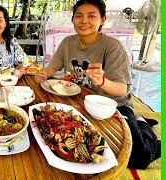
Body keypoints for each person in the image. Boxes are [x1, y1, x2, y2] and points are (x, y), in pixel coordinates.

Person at [35, 0, 160, 169]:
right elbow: (52, 68)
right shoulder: (67, 43)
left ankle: (142, 124)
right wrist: (44, 74)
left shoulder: (112, 47)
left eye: (91, 16)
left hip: (114, 106)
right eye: (79, 16)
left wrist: (102, 81)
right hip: (78, 101)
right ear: (73, 20)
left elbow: (122, 90)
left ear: (102, 19)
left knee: (138, 157)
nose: (84, 20)